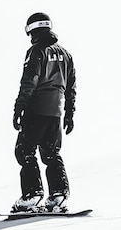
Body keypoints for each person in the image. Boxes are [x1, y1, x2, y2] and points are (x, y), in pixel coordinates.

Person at [11, 12, 76, 213]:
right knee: (51, 153)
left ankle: (32, 195)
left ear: (32, 29)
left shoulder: (36, 51)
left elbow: (30, 80)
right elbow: (71, 86)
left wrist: (19, 108)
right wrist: (69, 113)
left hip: (36, 109)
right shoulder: (66, 54)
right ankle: (58, 195)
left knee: (25, 150)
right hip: (56, 112)